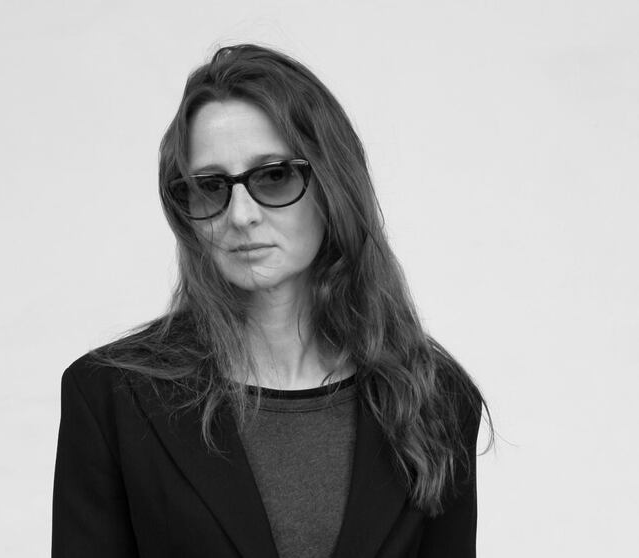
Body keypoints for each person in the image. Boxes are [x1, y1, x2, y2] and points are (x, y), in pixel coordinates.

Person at [52, 43, 493, 558]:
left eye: (274, 176)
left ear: (332, 184)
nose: (240, 215)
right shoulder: (112, 397)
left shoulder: (432, 397)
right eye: (210, 186)